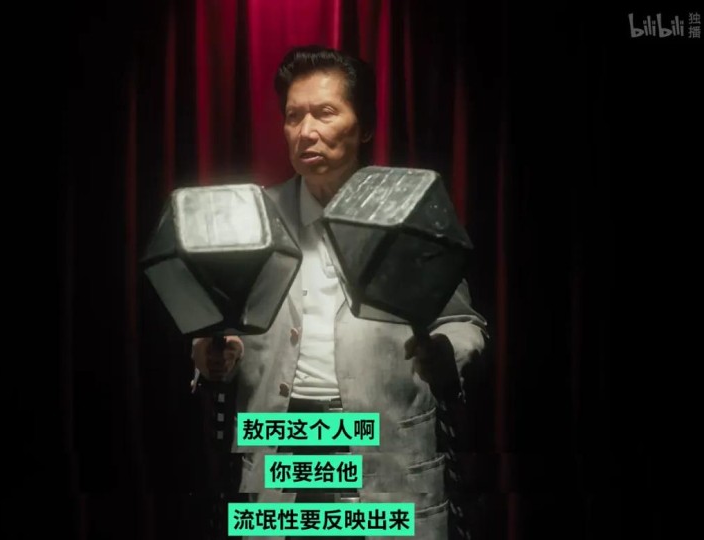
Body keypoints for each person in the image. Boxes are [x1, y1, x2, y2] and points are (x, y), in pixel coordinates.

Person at [191, 45, 487, 540]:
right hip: (280, 441)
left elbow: (463, 323)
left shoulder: (407, 212)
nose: (305, 131)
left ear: (364, 126)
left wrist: (445, 353)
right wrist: (208, 354)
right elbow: (215, 324)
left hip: (382, 444)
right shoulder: (252, 217)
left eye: (325, 113)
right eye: (293, 116)